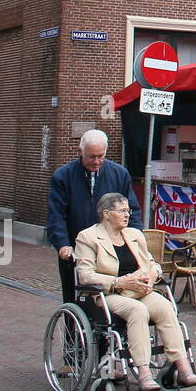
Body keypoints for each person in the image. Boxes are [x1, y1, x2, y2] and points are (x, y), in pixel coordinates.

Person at [75, 193, 196, 391]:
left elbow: (151, 263)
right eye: (122, 211)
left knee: (166, 308)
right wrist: (119, 281)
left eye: (128, 210)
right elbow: (85, 275)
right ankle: (144, 372)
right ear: (106, 214)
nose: (127, 215)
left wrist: (153, 275)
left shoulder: (134, 235)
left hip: (140, 290)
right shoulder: (88, 237)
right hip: (108, 295)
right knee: (138, 311)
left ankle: (183, 367)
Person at [47, 129, 140, 303]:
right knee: (74, 297)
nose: (96, 161)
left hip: (111, 249)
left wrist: (135, 241)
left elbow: (132, 211)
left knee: (117, 297)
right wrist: (63, 245)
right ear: (80, 152)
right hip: (77, 250)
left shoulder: (119, 174)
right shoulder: (63, 177)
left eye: (100, 156)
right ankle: (72, 329)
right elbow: (56, 215)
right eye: (91, 156)